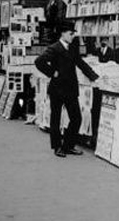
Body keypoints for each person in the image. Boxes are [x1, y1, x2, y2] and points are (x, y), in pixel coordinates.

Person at [35, 22, 99, 158]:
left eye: (73, 34)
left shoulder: (72, 48)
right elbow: (39, 61)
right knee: (56, 119)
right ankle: (57, 147)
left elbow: (81, 63)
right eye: (71, 34)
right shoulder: (54, 48)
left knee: (76, 118)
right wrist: (52, 72)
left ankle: (68, 145)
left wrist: (94, 76)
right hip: (57, 89)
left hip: (70, 89)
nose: (72, 36)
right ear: (63, 34)